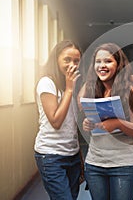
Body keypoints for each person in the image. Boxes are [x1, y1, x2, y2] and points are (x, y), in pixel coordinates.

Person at [78, 43, 133, 200]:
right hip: (95, 163)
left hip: (124, 164)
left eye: (108, 61)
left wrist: (118, 123)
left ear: (118, 64)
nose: (102, 66)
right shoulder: (90, 89)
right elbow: (82, 111)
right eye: (98, 61)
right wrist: (87, 124)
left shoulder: (130, 91)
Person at [34, 40, 82, 200]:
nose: (72, 65)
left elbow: (72, 127)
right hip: (51, 156)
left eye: (76, 61)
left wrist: (79, 157)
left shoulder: (71, 86)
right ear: (56, 60)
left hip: (72, 154)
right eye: (67, 60)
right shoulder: (46, 83)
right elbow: (56, 121)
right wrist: (69, 89)